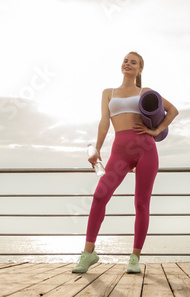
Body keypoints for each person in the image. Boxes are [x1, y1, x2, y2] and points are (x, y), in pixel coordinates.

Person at [72, 51, 179, 274]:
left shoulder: (145, 92)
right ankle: (88, 253)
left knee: (141, 204)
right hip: (120, 152)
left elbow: (173, 111)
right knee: (100, 195)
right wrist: (98, 149)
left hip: (146, 150)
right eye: (125, 61)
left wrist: (156, 130)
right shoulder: (108, 93)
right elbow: (104, 123)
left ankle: (134, 257)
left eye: (133, 62)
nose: (128, 64)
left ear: (140, 69)